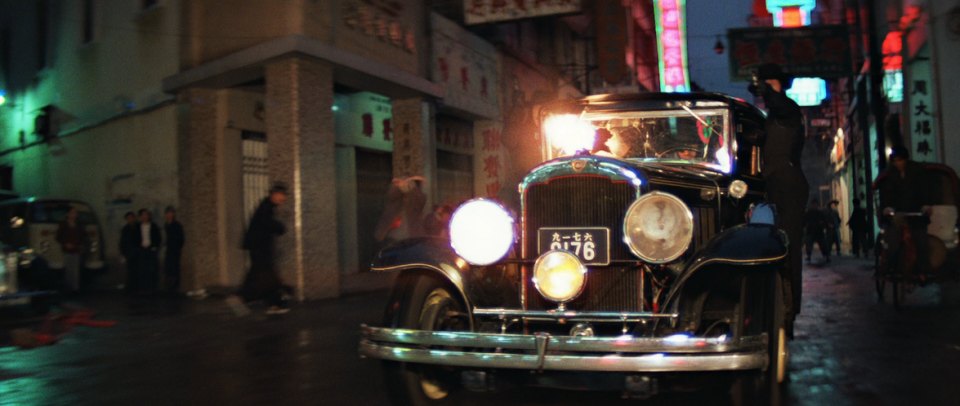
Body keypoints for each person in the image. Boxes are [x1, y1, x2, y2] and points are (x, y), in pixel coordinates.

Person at [749, 63, 809, 333]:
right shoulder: (773, 116)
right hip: (773, 184)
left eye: (768, 82)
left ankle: (789, 310)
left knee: (790, 247)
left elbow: (777, 102)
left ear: (778, 84)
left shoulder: (788, 109)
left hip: (788, 185)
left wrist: (767, 90)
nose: (764, 89)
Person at [232, 183, 290, 315]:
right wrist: (279, 227)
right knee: (267, 274)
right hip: (260, 246)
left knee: (257, 273)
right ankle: (274, 303)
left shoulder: (266, 206)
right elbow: (266, 224)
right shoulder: (266, 207)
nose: (283, 199)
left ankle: (245, 296)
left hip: (257, 246)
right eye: (282, 195)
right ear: (274, 194)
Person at [875, 146, 931, 275]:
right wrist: (888, 208)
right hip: (898, 212)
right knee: (893, 237)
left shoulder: (917, 171)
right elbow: (886, 193)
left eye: (900, 160)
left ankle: (922, 269)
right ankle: (892, 265)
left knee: (921, 239)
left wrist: (925, 205)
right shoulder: (889, 174)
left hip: (916, 212)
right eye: (895, 161)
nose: (898, 163)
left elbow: (924, 189)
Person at [56, 207, 87, 292]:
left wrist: (81, 245)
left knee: (75, 269)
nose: (74, 215)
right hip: (67, 249)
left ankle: (75, 288)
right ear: (68, 214)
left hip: (77, 249)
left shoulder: (79, 225)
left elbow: (83, 236)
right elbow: (58, 237)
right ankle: (68, 287)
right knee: (68, 269)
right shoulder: (63, 224)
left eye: (75, 213)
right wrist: (65, 243)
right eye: (72, 213)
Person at [136, 209, 162, 294]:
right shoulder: (137, 227)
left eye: (146, 215)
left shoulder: (153, 226)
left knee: (152, 269)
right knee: (142, 269)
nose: (145, 217)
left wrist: (155, 247)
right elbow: (135, 239)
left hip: (151, 250)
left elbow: (158, 238)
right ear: (140, 217)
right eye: (143, 215)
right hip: (142, 250)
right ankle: (143, 288)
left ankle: (152, 288)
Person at [163, 206, 185, 293]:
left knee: (175, 267)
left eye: (171, 213)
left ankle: (175, 286)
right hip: (169, 249)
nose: (169, 215)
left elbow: (181, 238)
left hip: (175, 249)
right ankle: (169, 286)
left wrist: (177, 247)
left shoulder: (177, 225)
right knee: (168, 267)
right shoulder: (166, 225)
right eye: (168, 213)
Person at [120, 211, 139, 292]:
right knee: (130, 269)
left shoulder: (138, 227)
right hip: (129, 252)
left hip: (137, 251)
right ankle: (131, 286)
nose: (130, 220)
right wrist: (123, 252)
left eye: (131, 218)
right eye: (128, 218)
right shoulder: (125, 229)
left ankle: (136, 286)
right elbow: (122, 241)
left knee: (137, 269)